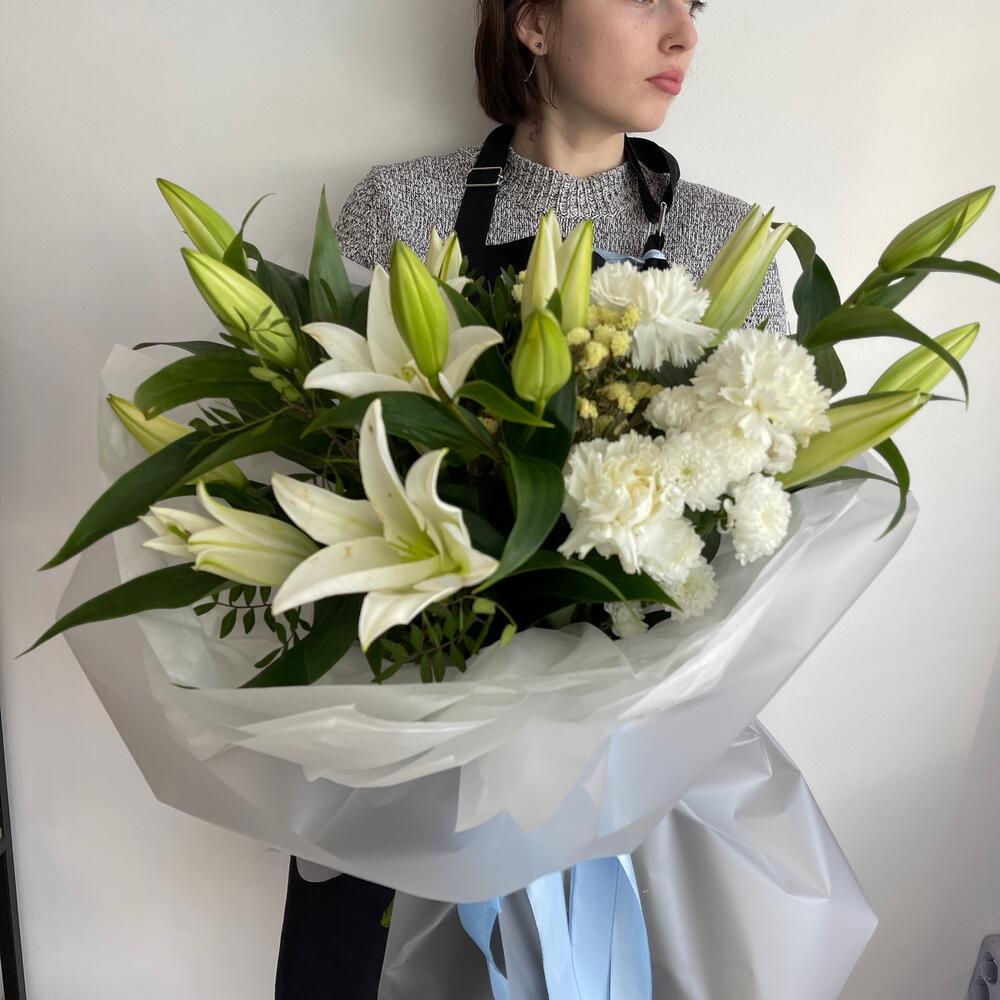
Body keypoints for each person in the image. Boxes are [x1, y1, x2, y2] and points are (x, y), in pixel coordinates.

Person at [274, 1, 787, 995]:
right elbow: (330, 461)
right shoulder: (402, 211)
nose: (683, 34)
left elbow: (761, 520)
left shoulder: (728, 242)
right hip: (418, 759)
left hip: (633, 779)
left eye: (693, 2)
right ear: (534, 23)